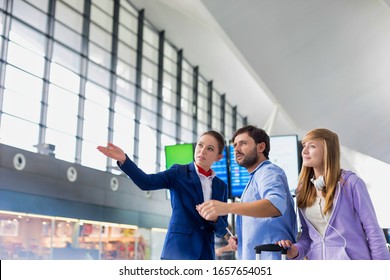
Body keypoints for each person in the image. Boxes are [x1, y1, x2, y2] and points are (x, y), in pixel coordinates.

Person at [97, 130, 228, 260]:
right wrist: (124, 160)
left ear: (218, 157)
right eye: (200, 145)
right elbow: (146, 182)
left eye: (210, 148)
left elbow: (221, 230)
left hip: (206, 255)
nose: (202, 151)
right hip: (178, 252)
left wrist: (215, 218)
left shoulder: (221, 187)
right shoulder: (179, 172)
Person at [277, 128, 390, 260]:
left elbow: (373, 231)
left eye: (312, 146)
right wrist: (295, 250)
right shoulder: (302, 190)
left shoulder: (351, 184)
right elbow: (308, 236)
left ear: (327, 151)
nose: (304, 151)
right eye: (304, 146)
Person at [197, 125, 297, 260]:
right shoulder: (254, 179)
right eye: (235, 146)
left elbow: (274, 206)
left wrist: (226, 207)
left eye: (243, 143)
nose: (236, 149)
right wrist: (243, 239)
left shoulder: (269, 172)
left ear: (261, 147)